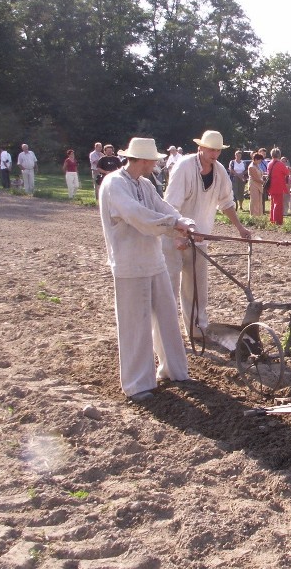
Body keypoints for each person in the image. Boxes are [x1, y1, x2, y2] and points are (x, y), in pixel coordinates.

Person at [98, 137, 197, 402]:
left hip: (154, 260)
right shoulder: (114, 184)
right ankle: (137, 384)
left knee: (166, 316)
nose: (156, 163)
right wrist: (172, 225)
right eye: (153, 159)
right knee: (135, 324)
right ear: (142, 160)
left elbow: (160, 206)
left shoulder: (145, 183)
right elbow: (137, 216)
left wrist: (181, 220)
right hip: (129, 263)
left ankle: (174, 371)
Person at [163, 130, 253, 339]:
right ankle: (166, 334)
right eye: (211, 149)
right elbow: (170, 205)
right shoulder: (184, 167)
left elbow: (226, 202)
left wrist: (240, 228)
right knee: (170, 287)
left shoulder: (220, 171)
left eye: (218, 150)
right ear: (200, 148)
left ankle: (197, 329)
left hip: (200, 239)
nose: (214, 154)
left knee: (196, 288)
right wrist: (180, 232)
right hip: (174, 236)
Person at [265, 148, 290, 225]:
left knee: (272, 204)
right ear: (279, 155)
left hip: (271, 186)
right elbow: (287, 173)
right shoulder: (280, 164)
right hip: (278, 186)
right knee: (278, 204)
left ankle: (272, 219)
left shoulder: (269, 163)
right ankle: (277, 221)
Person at [248, 152, 266, 217]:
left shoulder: (257, 165)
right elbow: (255, 178)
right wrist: (265, 183)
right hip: (253, 185)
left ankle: (259, 215)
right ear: (255, 159)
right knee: (254, 201)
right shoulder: (251, 167)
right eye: (260, 160)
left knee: (259, 201)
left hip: (259, 185)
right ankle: (253, 216)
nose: (260, 161)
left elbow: (261, 174)